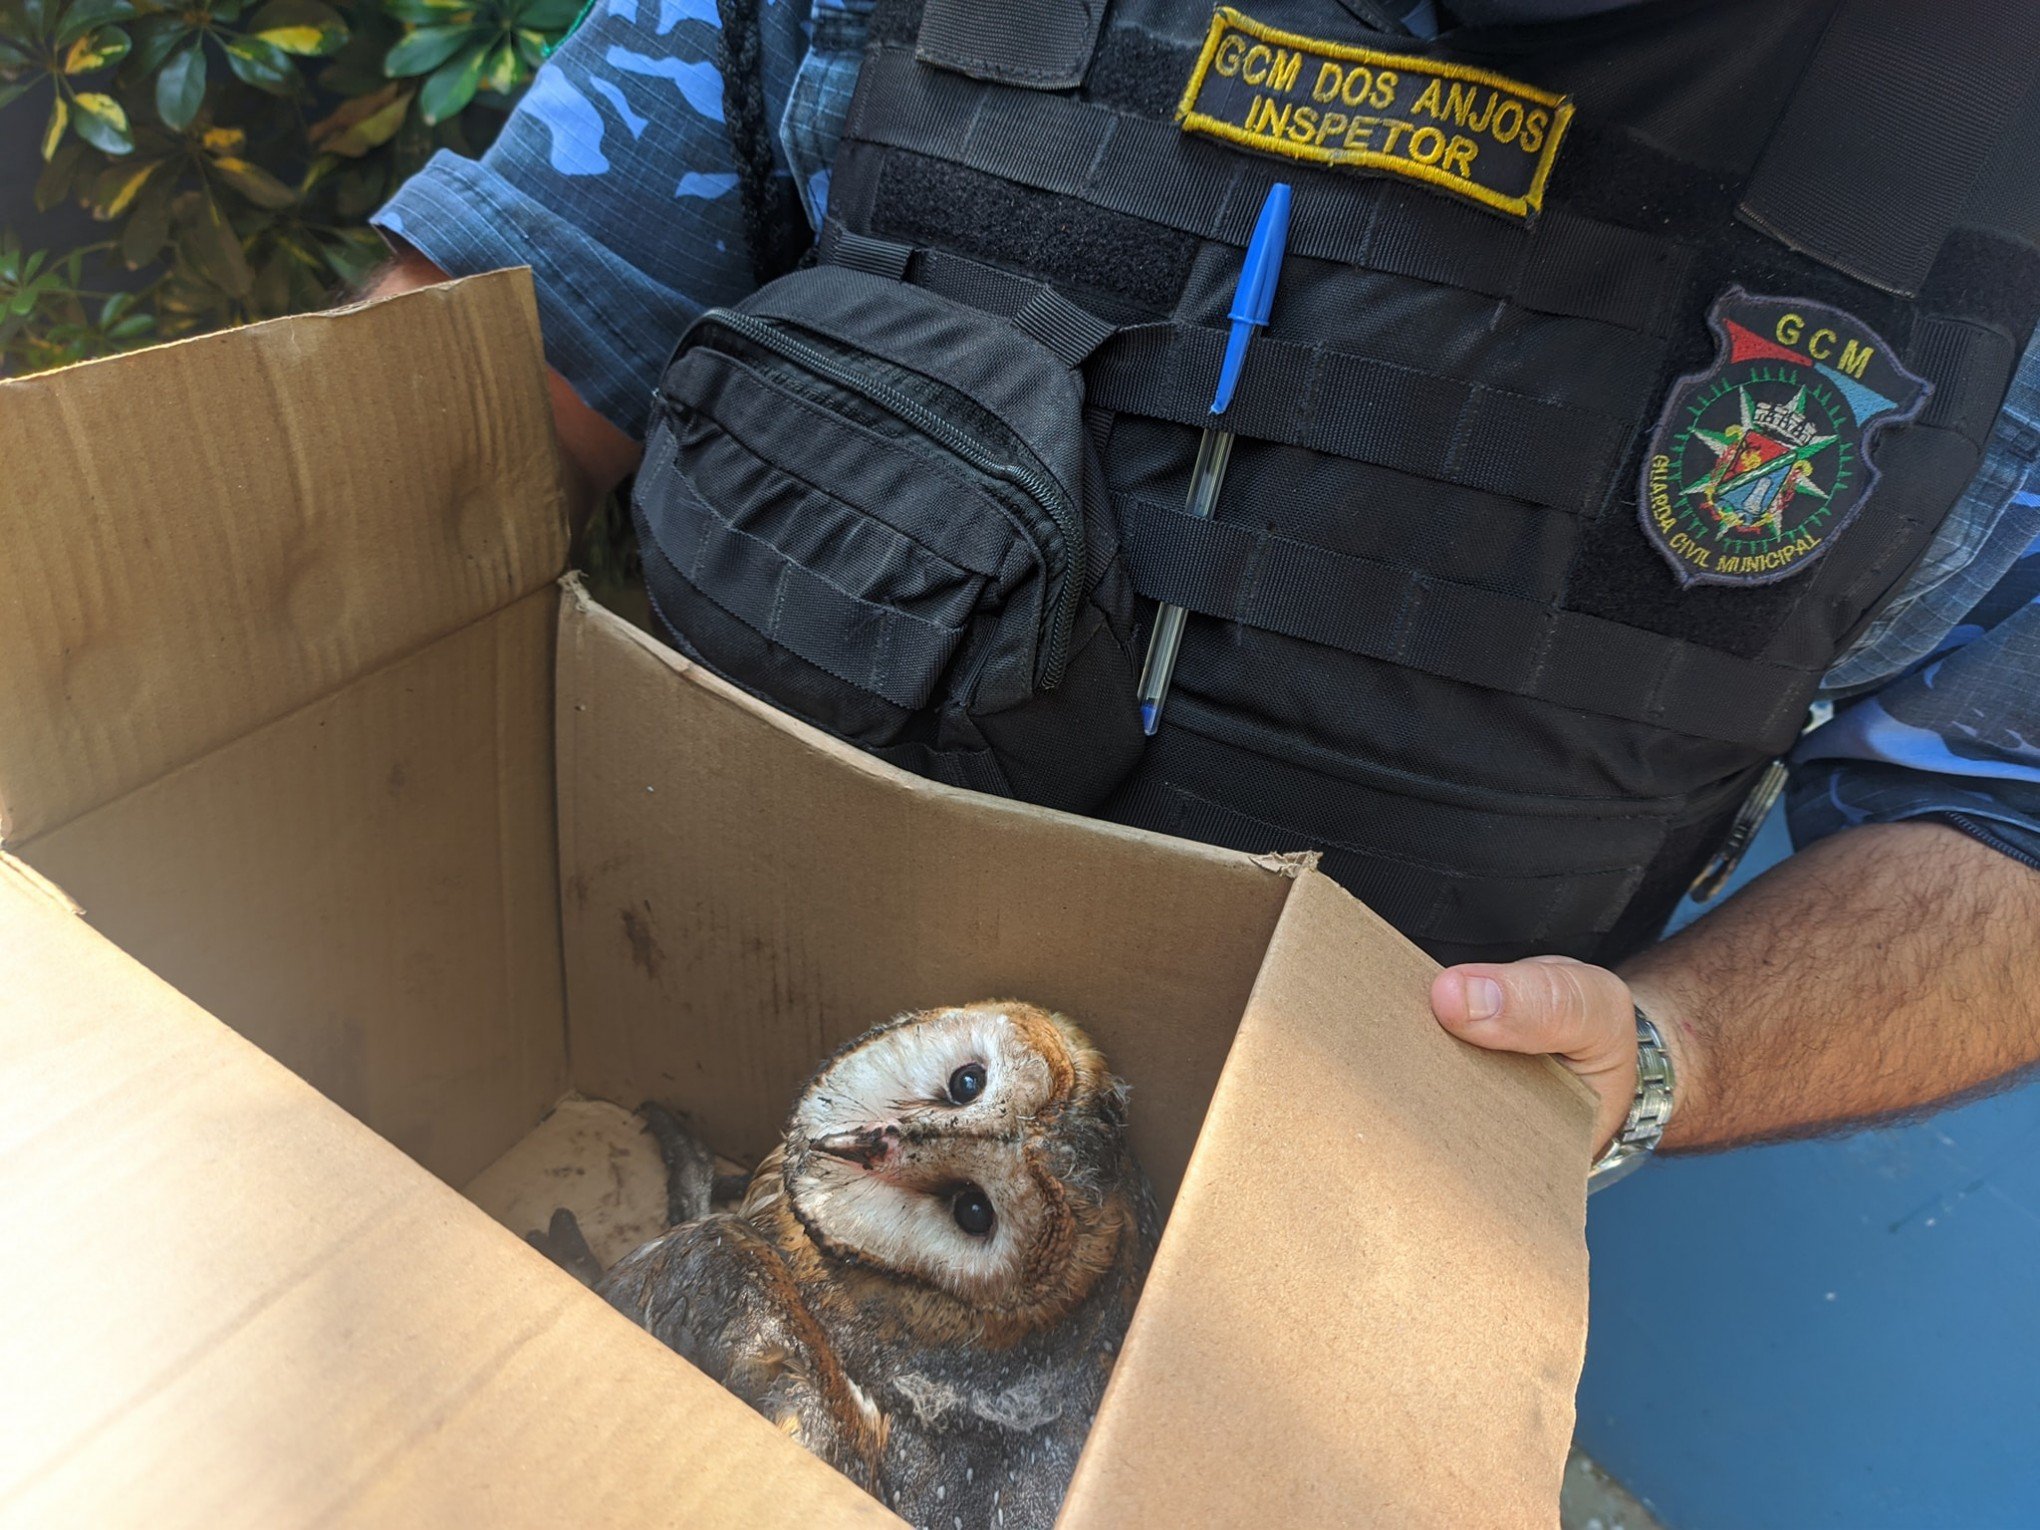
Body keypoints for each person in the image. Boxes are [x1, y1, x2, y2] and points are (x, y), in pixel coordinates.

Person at [370, 0, 2040, 1177]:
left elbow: (2006, 835)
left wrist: (1671, 1053)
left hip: (1306, 1250)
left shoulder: (2002, 195)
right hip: (644, 1057)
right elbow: (457, 398)